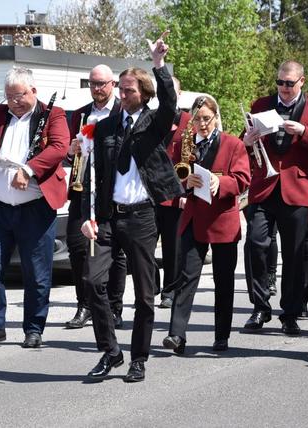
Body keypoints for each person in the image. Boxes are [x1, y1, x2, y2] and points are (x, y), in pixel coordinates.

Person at [80, 33, 183, 383]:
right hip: (109, 217)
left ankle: (139, 357)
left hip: (141, 217)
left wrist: (159, 65)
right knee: (92, 282)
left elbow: (170, 103)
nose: (122, 96)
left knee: (144, 293)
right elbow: (93, 175)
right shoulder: (104, 127)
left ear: (143, 94)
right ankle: (111, 352)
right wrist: (88, 218)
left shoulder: (153, 123)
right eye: (120, 90)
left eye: (129, 91)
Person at [0, 67, 69, 348]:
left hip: (34, 208)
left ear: (33, 91)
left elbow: (59, 147)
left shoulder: (53, 114)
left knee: (36, 272)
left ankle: (34, 328)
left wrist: (29, 170)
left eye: (19, 96)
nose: (13, 102)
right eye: (9, 96)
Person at [241, 60, 308, 335]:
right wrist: (247, 139)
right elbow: (245, 139)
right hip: (264, 186)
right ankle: (259, 307)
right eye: (280, 82)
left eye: (290, 83)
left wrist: (303, 132)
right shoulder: (261, 103)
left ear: (302, 81)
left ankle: (290, 313)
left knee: (294, 254)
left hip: (297, 189)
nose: (284, 88)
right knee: (255, 244)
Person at [162, 95, 250, 354]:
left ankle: (221, 335)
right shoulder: (184, 145)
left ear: (216, 117)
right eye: (197, 119)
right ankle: (176, 335)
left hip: (222, 219)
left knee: (224, 280)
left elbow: (243, 180)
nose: (201, 124)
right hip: (193, 217)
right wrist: (183, 185)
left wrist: (219, 183)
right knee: (186, 277)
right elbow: (173, 177)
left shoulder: (233, 144)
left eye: (206, 119)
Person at [64, 64, 126, 330]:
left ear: (112, 84)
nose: (97, 89)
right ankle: (85, 305)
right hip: (82, 188)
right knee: (78, 247)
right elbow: (66, 150)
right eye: (93, 84)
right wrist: (72, 149)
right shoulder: (80, 115)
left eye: (102, 84)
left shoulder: (123, 112)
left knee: (115, 251)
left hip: (112, 190)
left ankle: (114, 307)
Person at [156, 76, 191, 309]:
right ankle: (152, 286)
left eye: (171, 92)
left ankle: (170, 290)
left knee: (172, 246)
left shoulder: (190, 120)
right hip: (150, 192)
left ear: (179, 95)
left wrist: (186, 194)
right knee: (144, 247)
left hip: (176, 194)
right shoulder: (151, 118)